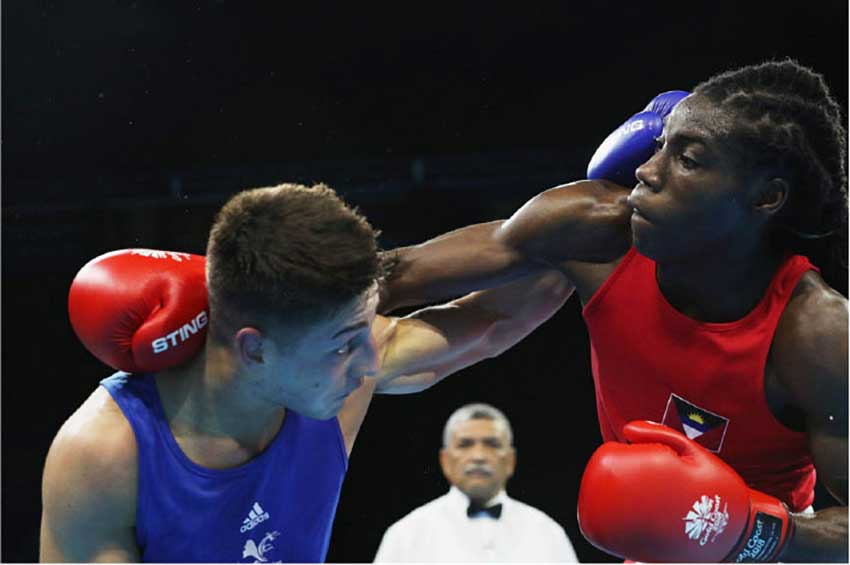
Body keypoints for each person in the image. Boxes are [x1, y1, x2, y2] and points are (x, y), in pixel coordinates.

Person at [378, 60, 848, 562]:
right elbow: (394, 275)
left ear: (766, 197)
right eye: (660, 145)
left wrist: (747, 533)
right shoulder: (594, 232)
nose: (647, 170)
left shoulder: (817, 335)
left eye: (687, 159)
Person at [41, 183, 574, 563]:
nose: (369, 363)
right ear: (255, 351)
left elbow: (498, 319)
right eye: (344, 344)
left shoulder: (335, 373)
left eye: (366, 328)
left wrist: (615, 217)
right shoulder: (106, 453)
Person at [374, 403, 579, 563]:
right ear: (445, 461)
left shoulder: (547, 532)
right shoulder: (407, 534)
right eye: (465, 444)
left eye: (492, 444)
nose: (479, 456)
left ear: (510, 461)